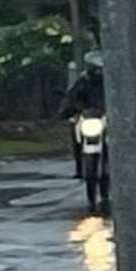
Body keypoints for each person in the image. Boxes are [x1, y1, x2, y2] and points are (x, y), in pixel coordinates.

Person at [60, 51, 106, 179]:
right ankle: (79, 167)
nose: (97, 72)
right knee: (75, 131)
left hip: (106, 116)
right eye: (94, 68)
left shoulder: (110, 82)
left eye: (99, 69)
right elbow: (71, 97)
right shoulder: (83, 81)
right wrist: (67, 110)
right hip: (88, 116)